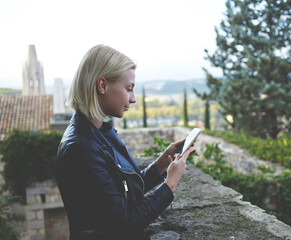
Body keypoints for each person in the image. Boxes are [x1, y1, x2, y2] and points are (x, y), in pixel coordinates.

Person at [56, 44, 196, 240]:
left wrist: (163, 162)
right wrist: (170, 184)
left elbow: (123, 192)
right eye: (129, 89)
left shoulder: (96, 133)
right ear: (102, 85)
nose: (133, 99)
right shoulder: (80, 148)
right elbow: (124, 224)